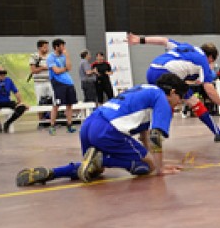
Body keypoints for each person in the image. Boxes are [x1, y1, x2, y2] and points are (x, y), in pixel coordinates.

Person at [15, 73, 189, 186]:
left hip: (90, 124)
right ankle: (101, 160)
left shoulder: (144, 89)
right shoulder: (161, 99)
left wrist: (159, 161)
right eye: (179, 98)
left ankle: (52, 173)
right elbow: (155, 136)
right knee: (144, 167)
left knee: (92, 170)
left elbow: (144, 138)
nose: (179, 102)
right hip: (109, 129)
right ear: (172, 92)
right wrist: (159, 168)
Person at [127, 33, 220, 142]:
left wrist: (140, 40)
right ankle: (218, 133)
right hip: (165, 73)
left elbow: (163, 40)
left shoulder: (186, 47)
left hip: (152, 70)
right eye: (212, 62)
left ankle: (141, 131)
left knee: (162, 103)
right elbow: (209, 89)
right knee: (193, 102)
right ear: (210, 57)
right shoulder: (203, 62)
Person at [46, 39, 77, 135]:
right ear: (56, 47)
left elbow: (69, 67)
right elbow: (56, 71)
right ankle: (52, 126)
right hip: (58, 83)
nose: (64, 48)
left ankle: (69, 125)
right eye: (62, 46)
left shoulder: (64, 56)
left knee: (70, 104)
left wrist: (67, 56)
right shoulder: (51, 57)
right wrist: (65, 69)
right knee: (57, 105)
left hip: (69, 82)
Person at [29, 40, 53, 119]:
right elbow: (33, 70)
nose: (47, 49)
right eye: (45, 47)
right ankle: (41, 121)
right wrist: (43, 68)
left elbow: (53, 68)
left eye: (47, 47)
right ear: (40, 47)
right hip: (39, 83)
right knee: (40, 102)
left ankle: (51, 119)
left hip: (50, 82)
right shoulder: (34, 56)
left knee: (52, 100)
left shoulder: (50, 56)